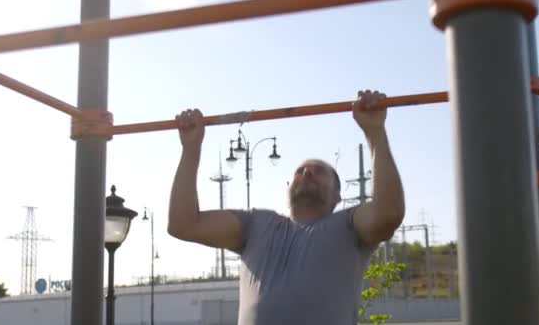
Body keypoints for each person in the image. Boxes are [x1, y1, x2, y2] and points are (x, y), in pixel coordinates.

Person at [168, 90, 405, 325]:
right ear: (287, 187)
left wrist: (375, 132)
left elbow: (388, 214)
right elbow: (184, 224)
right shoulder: (255, 224)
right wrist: (191, 148)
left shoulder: (349, 225)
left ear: (337, 196)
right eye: (300, 171)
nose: (307, 172)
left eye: (319, 171)